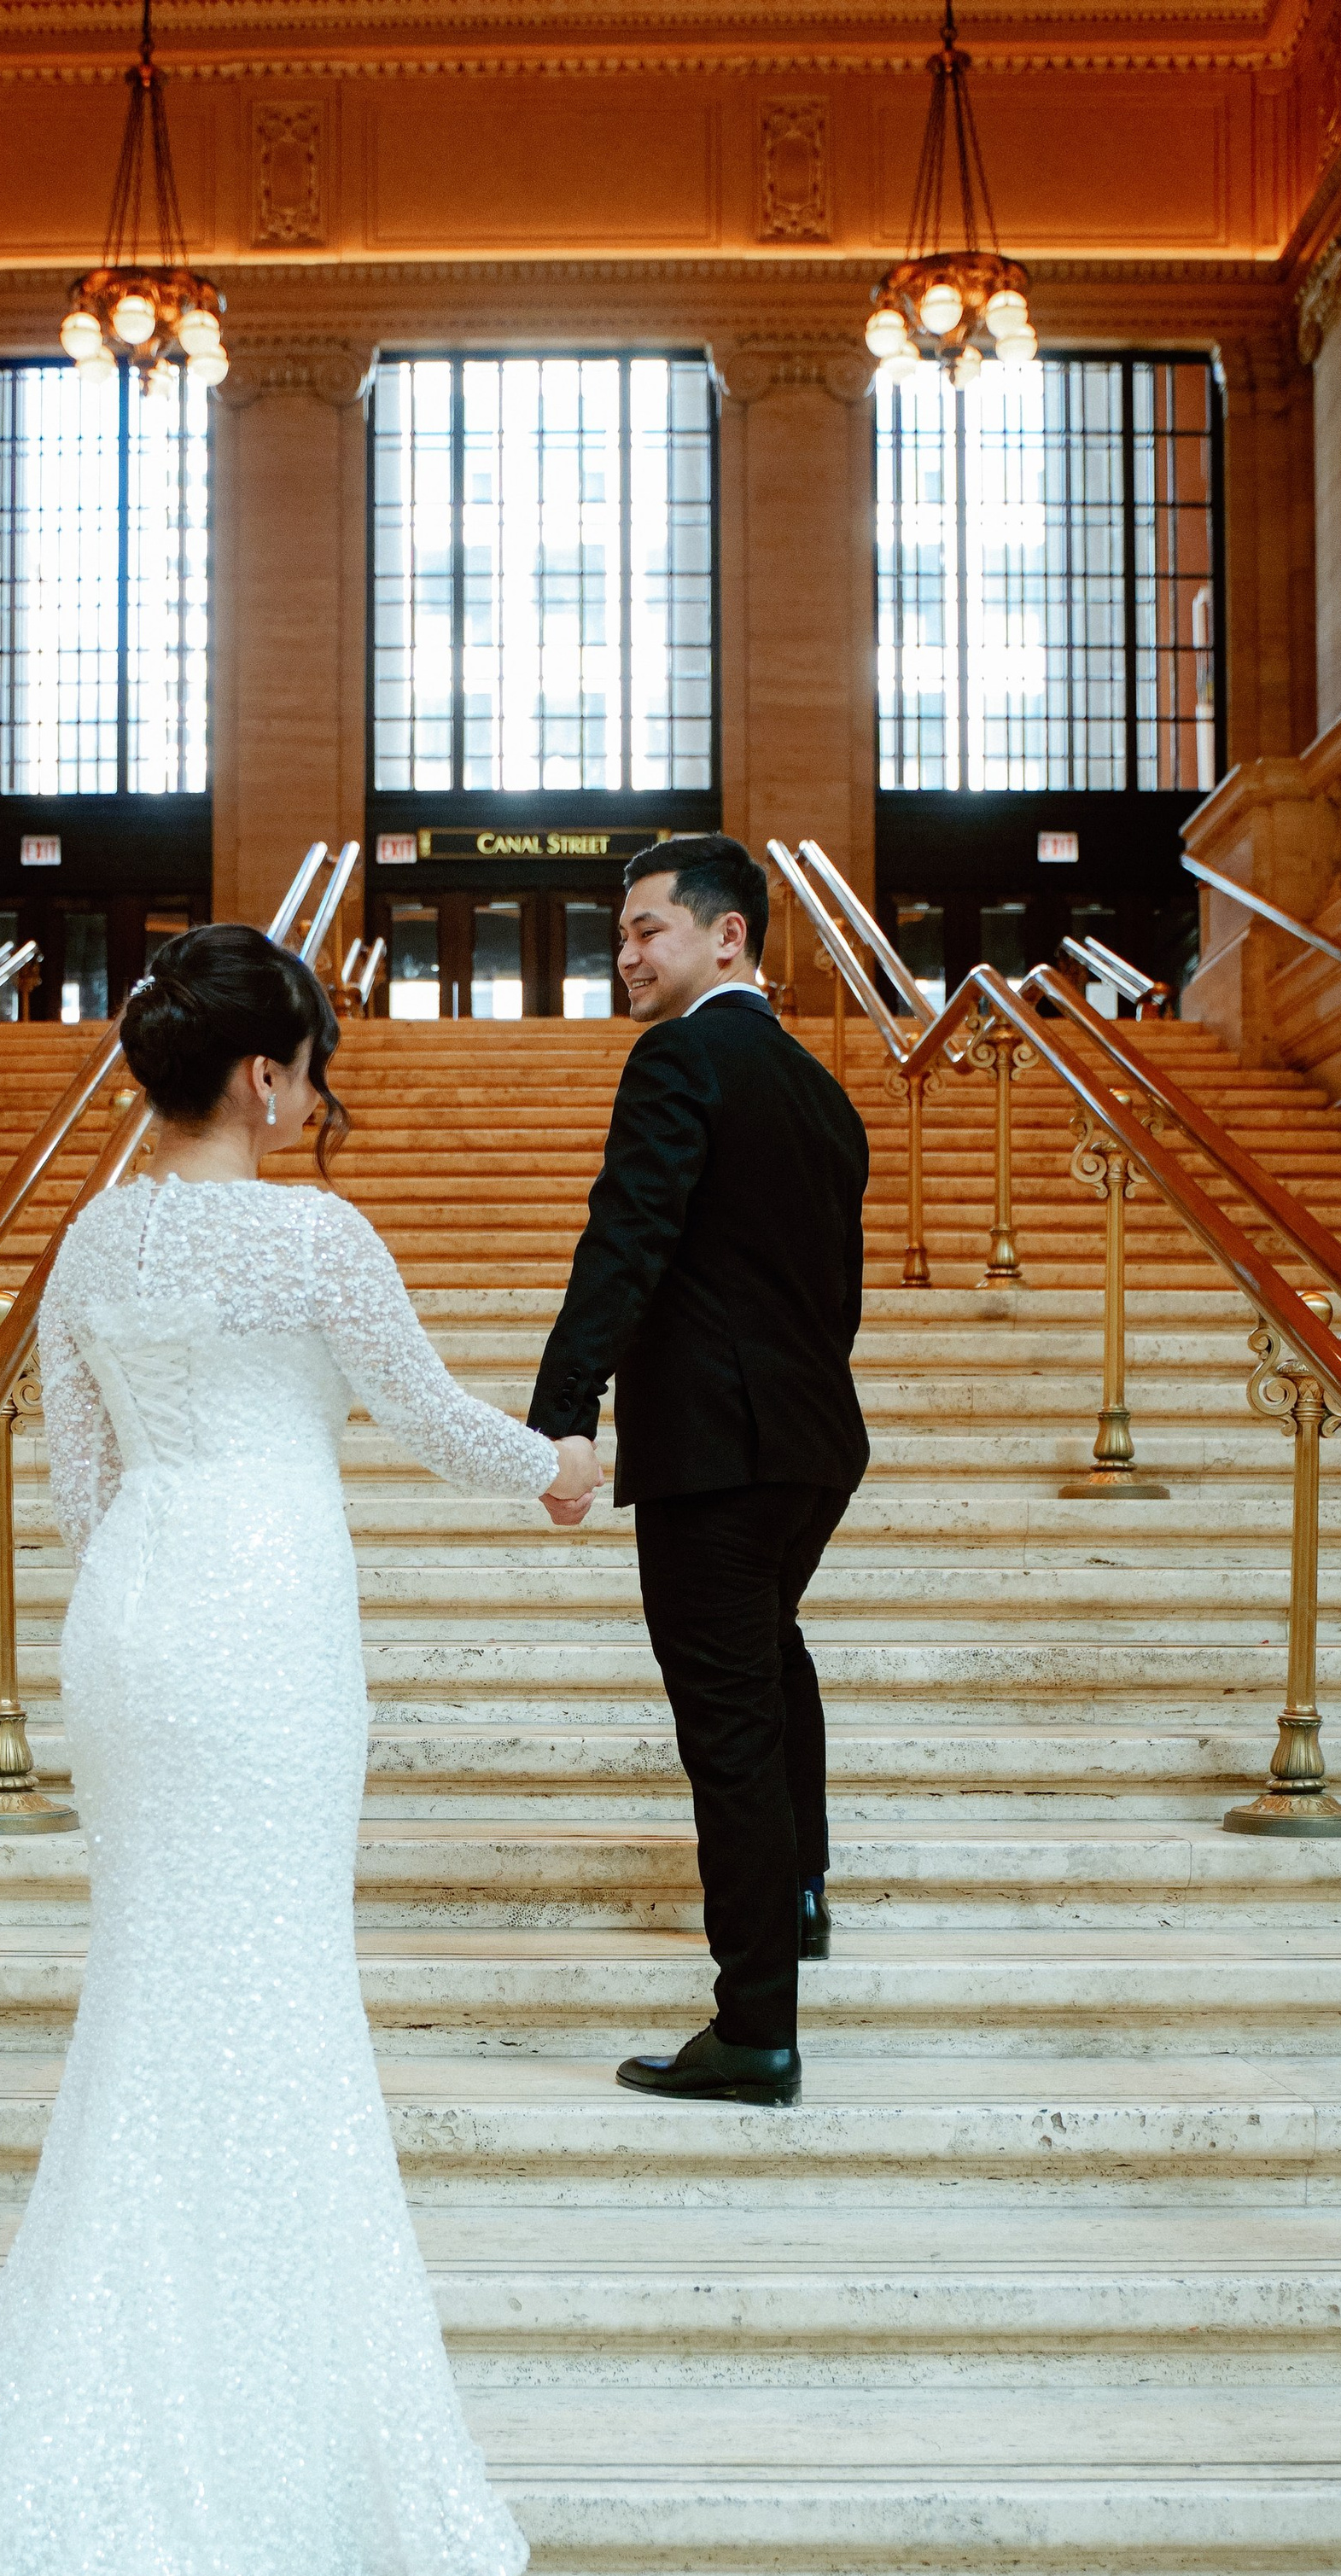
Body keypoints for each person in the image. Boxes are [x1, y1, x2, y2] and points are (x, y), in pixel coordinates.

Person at [0, 924, 602, 2576]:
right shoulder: (314, 1236)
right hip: (269, 1616)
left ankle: (132, 2397)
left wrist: (125, 1608)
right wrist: (561, 1468)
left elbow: (80, 1478)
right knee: (273, 1992)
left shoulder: (90, 1243)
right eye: (309, 1066)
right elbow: (423, 1419)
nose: (311, 1094)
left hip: (136, 1616)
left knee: (154, 1994)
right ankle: (282, 2455)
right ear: (265, 1074)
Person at [528, 834, 869, 2108]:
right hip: (810, 1446)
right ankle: (801, 1890)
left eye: (647, 929)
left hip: (717, 1455)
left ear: (729, 937)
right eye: (619, 934)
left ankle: (756, 2028)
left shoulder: (678, 1059)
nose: (625, 954)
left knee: (728, 1725)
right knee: (771, 1657)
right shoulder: (822, 1092)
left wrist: (565, 1413)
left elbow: (627, 1239)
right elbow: (829, 1297)